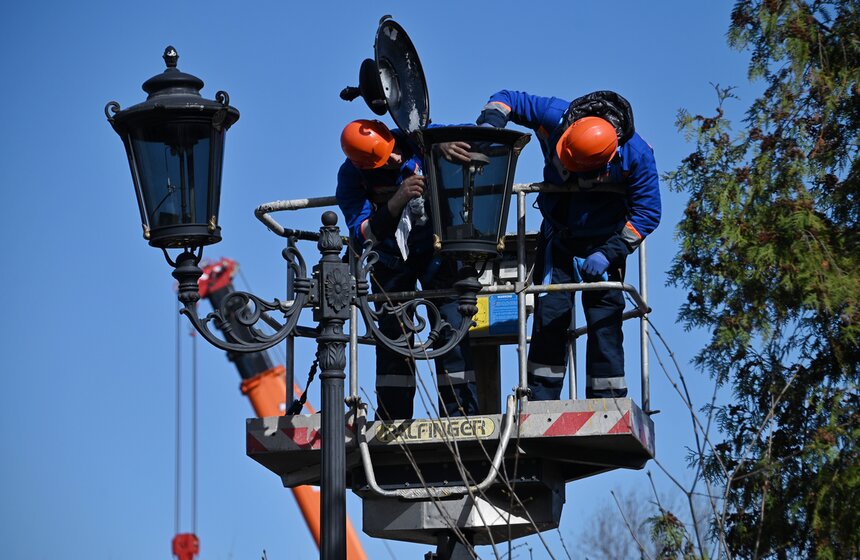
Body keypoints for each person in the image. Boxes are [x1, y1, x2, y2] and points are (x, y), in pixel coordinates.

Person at [476, 90, 661, 400]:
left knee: (605, 323)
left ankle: (608, 403)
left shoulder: (636, 155)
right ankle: (539, 399)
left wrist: (609, 252)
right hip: (558, 240)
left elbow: (648, 213)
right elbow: (506, 98)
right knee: (550, 318)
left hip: (605, 243)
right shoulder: (555, 116)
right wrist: (492, 123)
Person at [335, 119, 480, 420]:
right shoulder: (351, 176)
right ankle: (393, 417)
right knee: (393, 340)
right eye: (386, 162)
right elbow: (363, 235)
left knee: (452, 331)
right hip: (390, 261)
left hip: (437, 253)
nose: (396, 159)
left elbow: (474, 137)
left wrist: (441, 145)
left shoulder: (417, 135)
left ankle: (461, 415)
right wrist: (397, 199)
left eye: (395, 152)